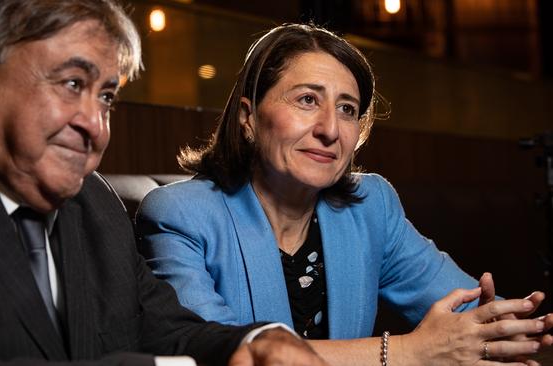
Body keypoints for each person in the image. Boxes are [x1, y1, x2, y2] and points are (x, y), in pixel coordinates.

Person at [0, 2, 329, 366]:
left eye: (106, 97)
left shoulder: (94, 201)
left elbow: (167, 332)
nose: (96, 126)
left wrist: (253, 344)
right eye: (72, 84)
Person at [136, 23, 553, 365]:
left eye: (347, 109)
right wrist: (408, 352)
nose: (330, 129)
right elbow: (218, 354)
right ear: (248, 118)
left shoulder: (371, 206)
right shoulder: (180, 214)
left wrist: (524, 331)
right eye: (306, 100)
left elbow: (466, 314)